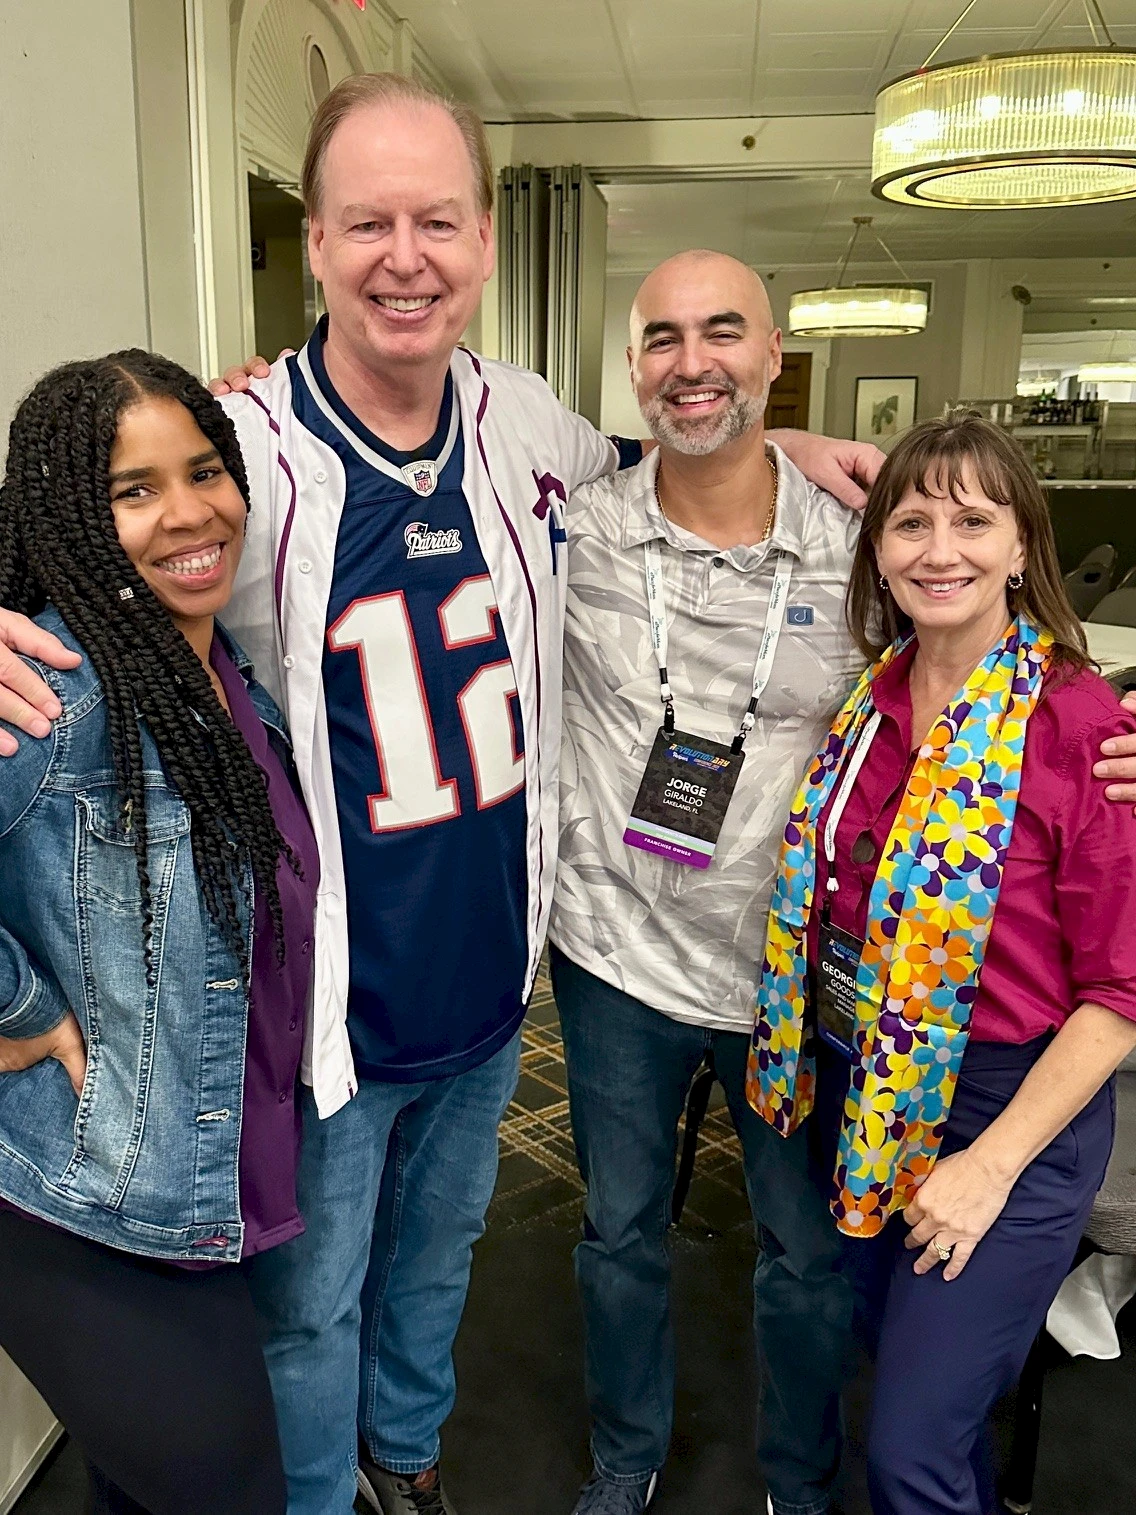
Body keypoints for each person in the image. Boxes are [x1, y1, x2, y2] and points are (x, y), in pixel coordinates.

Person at [0, 73, 1019, 1515]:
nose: (403, 257)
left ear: (484, 242)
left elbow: (666, 462)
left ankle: (405, 1463)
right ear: (317, 240)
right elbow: (88, 530)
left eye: (435, 222)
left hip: (495, 984)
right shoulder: (246, 455)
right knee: (310, 1307)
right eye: (367, 224)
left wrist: (782, 445)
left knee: (436, 1269)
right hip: (329, 1003)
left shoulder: (526, 422)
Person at [748, 413, 1136, 1515]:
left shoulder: (1078, 724)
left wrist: (990, 1166)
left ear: (1022, 547)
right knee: (928, 1415)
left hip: (1011, 1114)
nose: (939, 550)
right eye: (911, 523)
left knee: (907, 1450)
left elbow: (1120, 992)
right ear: (876, 550)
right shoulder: (870, 700)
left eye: (972, 522)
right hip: (869, 1096)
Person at [550, 250, 867, 1515]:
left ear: (772, 353)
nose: (692, 364)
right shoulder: (570, 529)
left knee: (802, 1250)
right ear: (631, 368)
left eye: (721, 332)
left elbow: (984, 665)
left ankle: (799, 1478)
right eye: (662, 339)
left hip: (786, 970)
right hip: (612, 952)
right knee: (617, 1233)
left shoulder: (860, 546)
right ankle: (624, 1458)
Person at [0, 351, 319, 1515]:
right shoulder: (56, 694)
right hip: (85, 1204)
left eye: (203, 471)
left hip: (198, 1173)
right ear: (70, 519)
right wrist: (19, 1008)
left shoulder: (222, 673)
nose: (189, 514)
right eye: (133, 490)